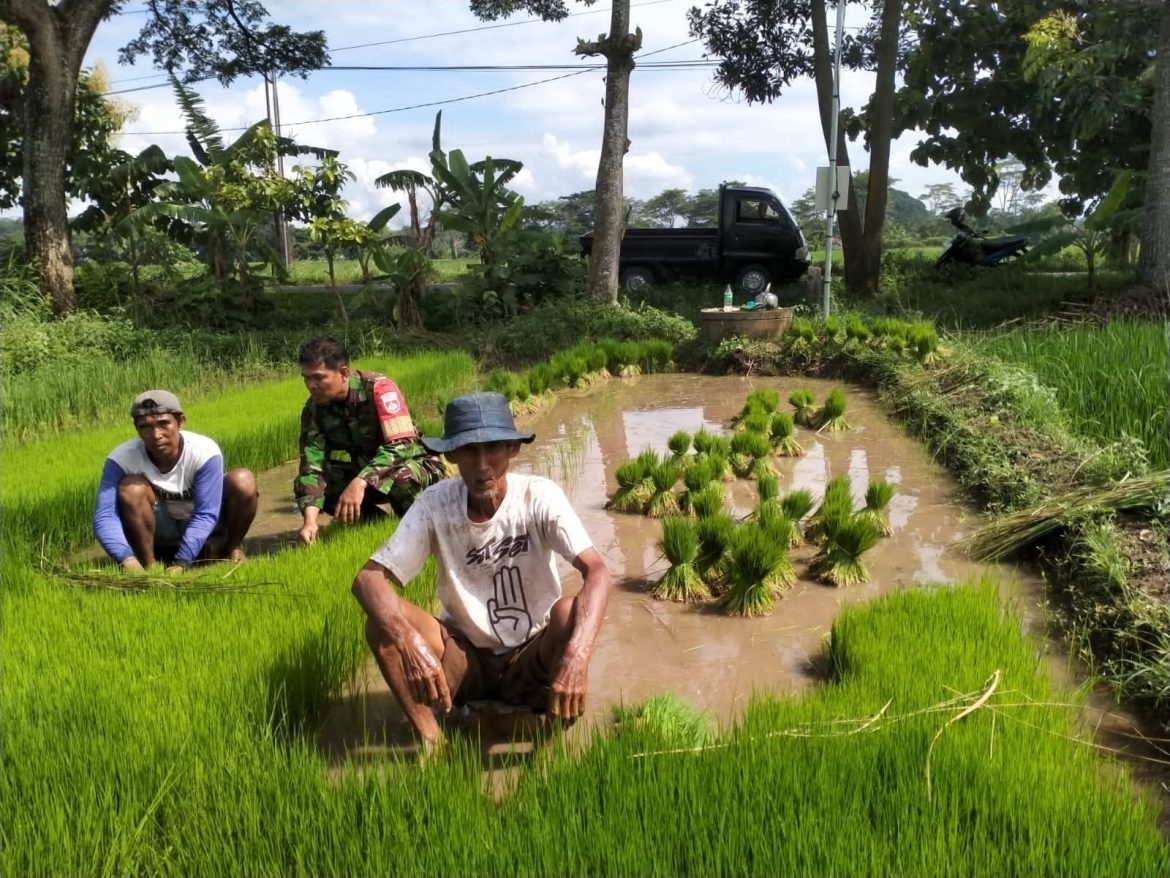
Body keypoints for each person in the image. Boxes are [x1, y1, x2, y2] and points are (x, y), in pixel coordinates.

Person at [350, 391, 613, 751]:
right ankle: (432, 741)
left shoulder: (539, 496)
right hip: (465, 655)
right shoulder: (435, 504)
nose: (482, 464)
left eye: (493, 449)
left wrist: (577, 656)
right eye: (469, 451)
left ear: (512, 449)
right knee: (381, 624)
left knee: (569, 614)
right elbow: (368, 579)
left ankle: (547, 742)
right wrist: (410, 644)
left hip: (531, 653)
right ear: (451, 455)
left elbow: (597, 572)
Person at [295, 337, 445, 544]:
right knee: (318, 484)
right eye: (306, 378)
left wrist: (360, 481)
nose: (311, 385)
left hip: (415, 465)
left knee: (401, 479)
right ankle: (376, 524)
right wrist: (310, 520)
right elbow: (312, 467)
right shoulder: (314, 409)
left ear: (344, 373)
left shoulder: (380, 389)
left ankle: (418, 528)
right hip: (367, 469)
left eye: (319, 378)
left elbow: (401, 446)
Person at [93, 390, 258, 572]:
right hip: (160, 527)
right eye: (145, 426)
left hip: (202, 521)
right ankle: (149, 565)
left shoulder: (203, 451)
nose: (156, 435)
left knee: (244, 481)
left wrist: (182, 562)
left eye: (163, 423)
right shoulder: (121, 459)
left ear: (180, 422)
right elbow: (104, 516)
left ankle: (231, 547)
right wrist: (126, 558)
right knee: (131, 489)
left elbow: (206, 514)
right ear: (136, 429)